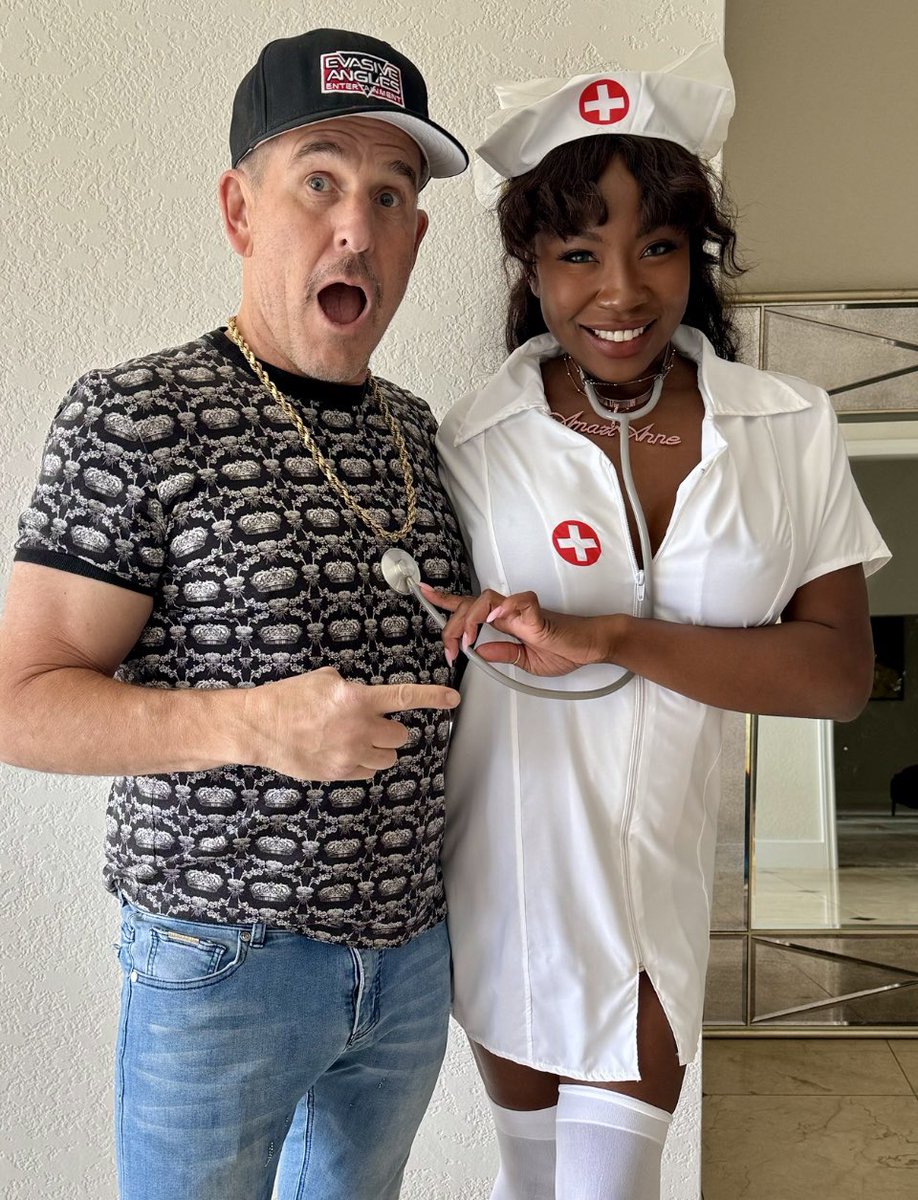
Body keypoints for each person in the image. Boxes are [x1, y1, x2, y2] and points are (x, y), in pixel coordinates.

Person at [0, 28, 470, 1200]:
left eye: (389, 194)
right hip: (223, 965)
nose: (355, 225)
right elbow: (20, 701)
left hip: (410, 961)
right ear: (239, 209)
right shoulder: (136, 415)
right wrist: (254, 726)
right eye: (318, 181)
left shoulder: (419, 431)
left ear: (416, 237)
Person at [425, 45, 890, 1200]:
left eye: (659, 248)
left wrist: (614, 636)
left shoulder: (786, 426)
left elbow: (837, 675)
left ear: (695, 256)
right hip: (510, 868)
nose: (621, 291)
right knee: (533, 1183)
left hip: (664, 880)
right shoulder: (468, 442)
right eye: (579, 254)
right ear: (532, 267)